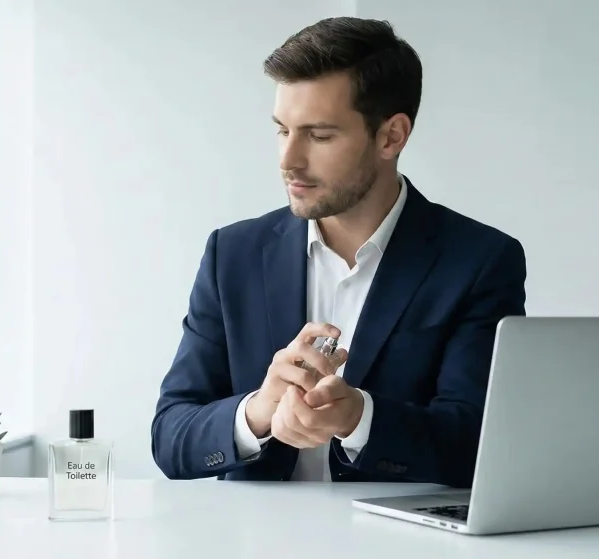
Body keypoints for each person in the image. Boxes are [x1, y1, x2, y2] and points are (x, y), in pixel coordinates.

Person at [150, 17, 526, 487]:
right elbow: (170, 437)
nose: (289, 160)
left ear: (392, 136)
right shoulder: (233, 254)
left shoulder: (479, 261)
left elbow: (476, 446)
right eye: (282, 130)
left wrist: (359, 420)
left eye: (320, 135)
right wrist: (257, 412)